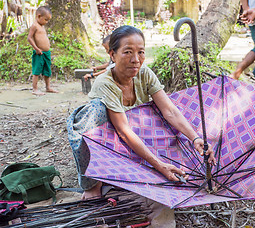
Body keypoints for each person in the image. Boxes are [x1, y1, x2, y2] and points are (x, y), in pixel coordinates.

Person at [67, 25, 215, 227]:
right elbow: (123, 131)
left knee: (164, 112)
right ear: (112, 54)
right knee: (95, 110)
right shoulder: (105, 83)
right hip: (107, 141)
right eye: (127, 52)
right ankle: (93, 183)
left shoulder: (144, 73)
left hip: (137, 136)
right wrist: (159, 165)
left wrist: (195, 138)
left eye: (140, 52)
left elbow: (169, 111)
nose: (135, 59)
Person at [27, 6, 58, 95]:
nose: (46, 22)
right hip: (39, 53)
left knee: (47, 70)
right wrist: (36, 48)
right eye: (45, 19)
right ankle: (35, 89)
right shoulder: (34, 26)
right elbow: (29, 38)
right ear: (39, 16)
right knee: (36, 71)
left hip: (46, 53)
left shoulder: (42, 26)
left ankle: (48, 87)